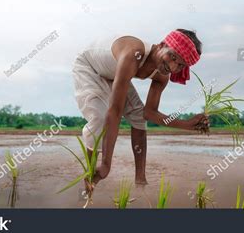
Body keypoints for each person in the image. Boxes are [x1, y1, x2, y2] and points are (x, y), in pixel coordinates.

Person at [72, 29, 209, 192]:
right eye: (172, 57)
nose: (172, 66)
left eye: (180, 65)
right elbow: (115, 111)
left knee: (138, 116)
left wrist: (188, 124)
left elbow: (149, 113)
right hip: (91, 68)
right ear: (162, 45)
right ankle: (90, 174)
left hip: (115, 74)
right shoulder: (133, 54)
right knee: (100, 118)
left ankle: (140, 183)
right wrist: (106, 163)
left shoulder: (163, 75)